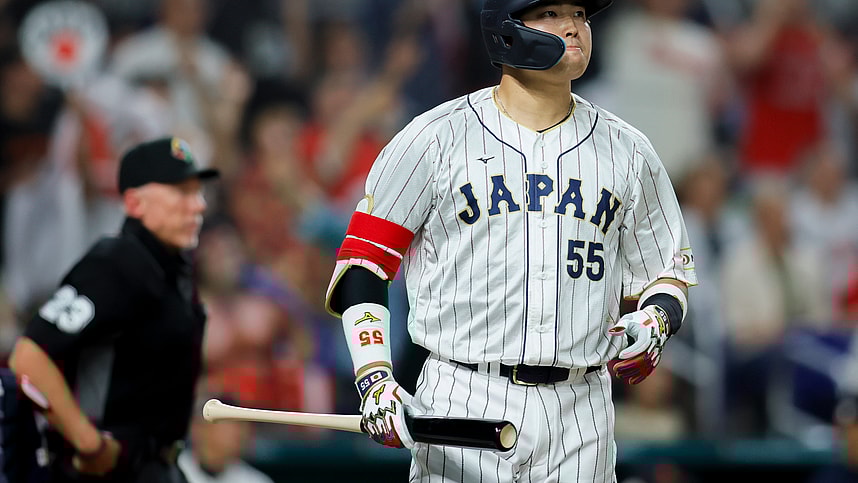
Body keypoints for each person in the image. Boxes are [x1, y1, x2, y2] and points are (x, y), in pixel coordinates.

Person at [324, 1, 697, 481]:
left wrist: (655, 319)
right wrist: (375, 377)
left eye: (579, 12)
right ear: (506, 29)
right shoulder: (435, 137)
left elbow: (667, 271)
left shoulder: (628, 149)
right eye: (550, 13)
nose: (573, 26)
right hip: (464, 397)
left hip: (581, 409)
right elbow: (363, 265)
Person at [8, 136, 218, 482]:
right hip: (107, 472)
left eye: (198, 192)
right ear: (135, 203)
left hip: (158, 467)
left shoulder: (171, 270)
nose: (198, 206)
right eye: (181, 193)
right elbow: (29, 355)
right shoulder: (117, 264)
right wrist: (87, 441)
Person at [177, 394, 273, 483]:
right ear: (199, 428)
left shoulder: (255, 480)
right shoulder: (172, 470)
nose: (240, 433)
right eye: (233, 424)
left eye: (242, 425)